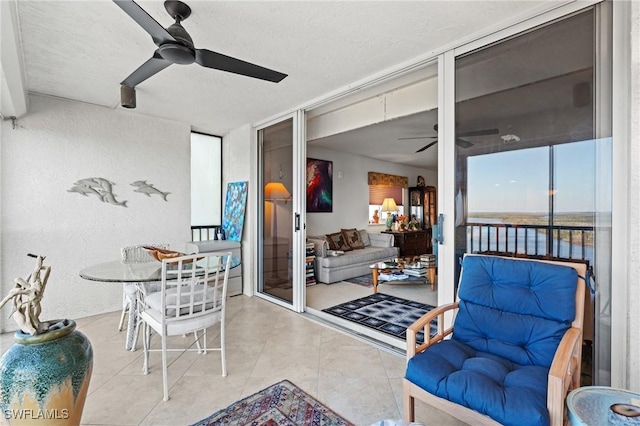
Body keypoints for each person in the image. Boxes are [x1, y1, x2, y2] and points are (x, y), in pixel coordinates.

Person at [0, 254, 50, 335]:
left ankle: (37, 326)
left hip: (32, 307)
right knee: (27, 313)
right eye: (37, 281)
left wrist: (39, 261)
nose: (39, 282)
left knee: (34, 313)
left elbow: (47, 269)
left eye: (39, 282)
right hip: (24, 311)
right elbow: (8, 298)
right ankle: (31, 328)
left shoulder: (41, 289)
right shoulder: (30, 291)